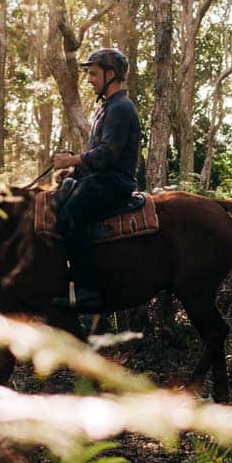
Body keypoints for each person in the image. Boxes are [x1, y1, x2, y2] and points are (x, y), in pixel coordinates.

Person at [52, 47, 142, 309]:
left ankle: (89, 289)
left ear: (110, 75)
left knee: (70, 215)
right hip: (99, 179)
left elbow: (106, 155)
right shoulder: (106, 108)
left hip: (114, 182)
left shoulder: (121, 108)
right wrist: (74, 170)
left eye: (93, 74)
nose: (89, 79)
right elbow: (95, 155)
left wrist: (71, 160)